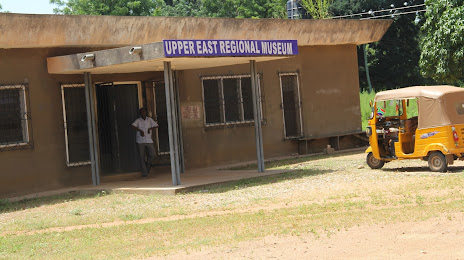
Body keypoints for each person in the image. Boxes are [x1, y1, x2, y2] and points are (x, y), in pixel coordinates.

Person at [131, 108, 158, 177]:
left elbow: (156, 125)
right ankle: (144, 172)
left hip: (149, 140)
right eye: (141, 112)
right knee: (141, 156)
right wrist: (140, 130)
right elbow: (132, 126)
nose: (143, 113)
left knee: (153, 154)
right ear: (140, 113)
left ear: (146, 112)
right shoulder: (138, 120)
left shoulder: (149, 120)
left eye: (144, 112)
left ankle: (147, 165)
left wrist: (150, 128)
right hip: (140, 140)